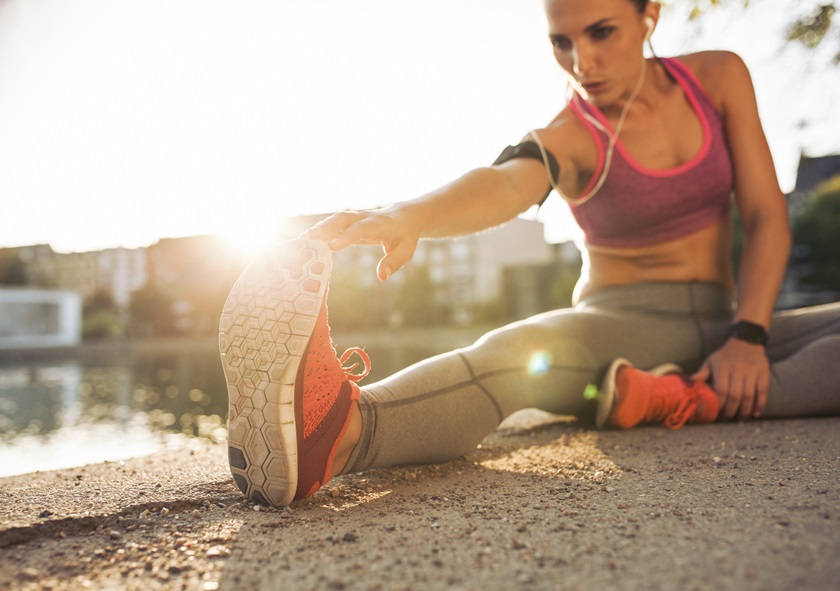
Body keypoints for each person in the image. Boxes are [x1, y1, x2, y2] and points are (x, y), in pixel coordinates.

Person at [219, 0, 840, 507]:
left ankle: (683, 398)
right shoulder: (571, 134)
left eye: (601, 33)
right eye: (561, 42)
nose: (582, 62)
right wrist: (412, 215)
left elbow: (766, 218)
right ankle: (335, 435)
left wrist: (749, 336)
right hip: (620, 331)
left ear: (649, 15)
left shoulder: (718, 77)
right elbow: (507, 183)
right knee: (516, 354)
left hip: (726, 322)